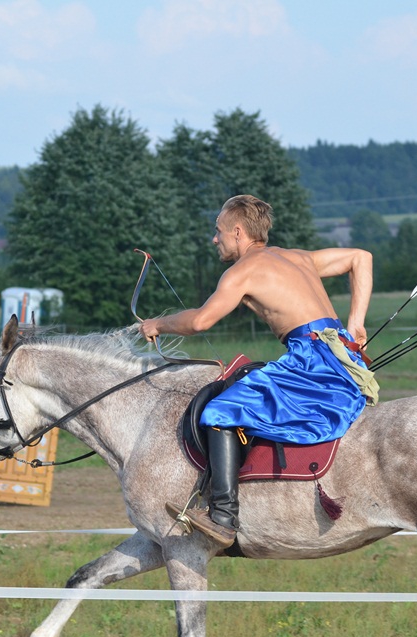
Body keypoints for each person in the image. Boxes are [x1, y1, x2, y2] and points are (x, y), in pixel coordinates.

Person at [139, 194, 378, 547]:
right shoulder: (296, 257)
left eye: (218, 231)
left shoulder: (243, 271)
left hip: (313, 363)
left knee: (219, 411)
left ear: (238, 231)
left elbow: (202, 320)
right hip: (343, 356)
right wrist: (356, 322)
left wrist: (158, 324)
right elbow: (361, 258)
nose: (214, 240)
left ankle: (223, 516)